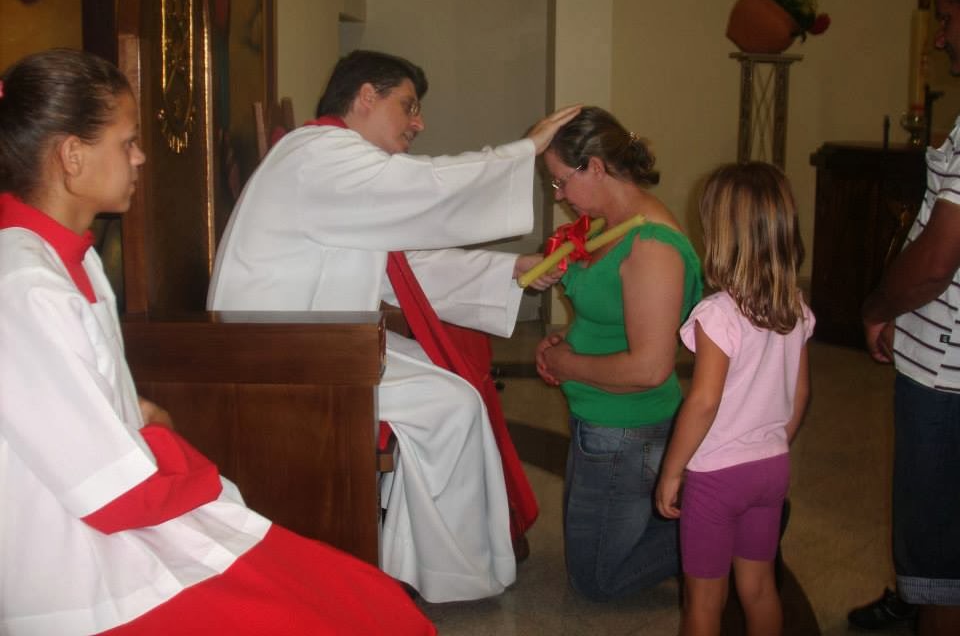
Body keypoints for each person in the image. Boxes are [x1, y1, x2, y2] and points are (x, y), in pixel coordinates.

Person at [0, 48, 436, 635]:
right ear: (72, 156)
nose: (140, 156)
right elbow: (106, 487)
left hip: (120, 516)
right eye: (127, 142)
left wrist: (134, 417)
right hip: (77, 563)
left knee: (363, 597)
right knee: (346, 615)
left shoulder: (66, 257)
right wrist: (162, 438)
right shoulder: (25, 284)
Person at [207, 48, 579, 603]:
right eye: (408, 106)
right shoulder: (321, 155)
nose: (418, 123)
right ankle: (436, 570)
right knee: (452, 405)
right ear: (366, 97)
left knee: (451, 387)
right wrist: (522, 150)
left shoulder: (330, 159)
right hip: (283, 357)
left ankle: (409, 552)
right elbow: (429, 187)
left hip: (314, 342)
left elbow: (401, 263)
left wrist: (511, 270)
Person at [534, 107, 703, 600]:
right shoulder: (611, 225)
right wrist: (567, 342)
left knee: (596, 581)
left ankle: (723, 525)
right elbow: (608, 317)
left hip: (628, 429)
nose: (559, 195)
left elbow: (650, 368)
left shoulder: (652, 247)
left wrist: (567, 364)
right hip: (597, 416)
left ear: (595, 167)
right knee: (593, 557)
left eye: (561, 181)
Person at [653, 162, 813, 636]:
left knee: (704, 601)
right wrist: (770, 443)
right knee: (759, 587)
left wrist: (672, 470)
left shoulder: (717, 314)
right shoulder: (795, 307)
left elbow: (704, 402)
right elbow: (800, 392)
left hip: (717, 478)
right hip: (772, 467)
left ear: (720, 237)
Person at [852, 0, 960, 636]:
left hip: (947, 380)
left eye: (946, 19)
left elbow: (936, 261)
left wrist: (877, 305)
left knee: (939, 561)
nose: (941, 37)